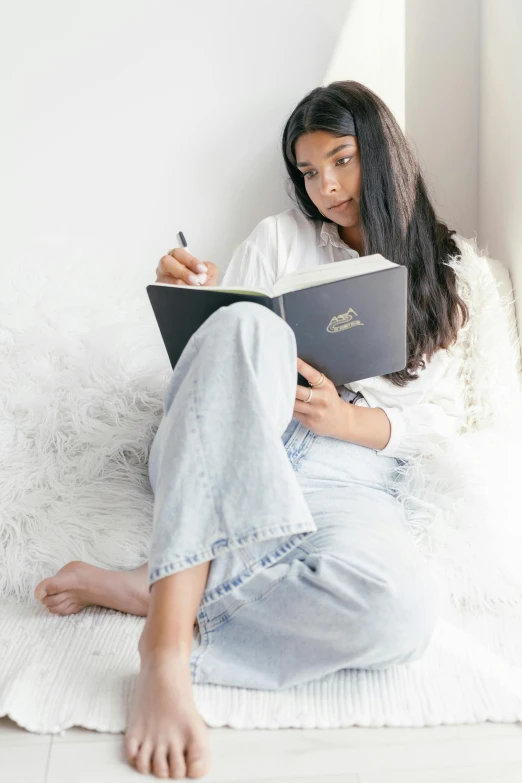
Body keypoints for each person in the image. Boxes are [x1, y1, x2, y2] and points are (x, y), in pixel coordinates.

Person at [34, 80, 469, 779]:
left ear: (383, 155)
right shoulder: (278, 238)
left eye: (342, 160)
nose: (325, 185)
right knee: (245, 324)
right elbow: (214, 375)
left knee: (401, 612)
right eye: (308, 171)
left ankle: (157, 581)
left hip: (348, 476)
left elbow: (440, 423)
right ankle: (164, 648)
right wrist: (193, 300)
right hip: (240, 447)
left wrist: (349, 418)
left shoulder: (445, 270)